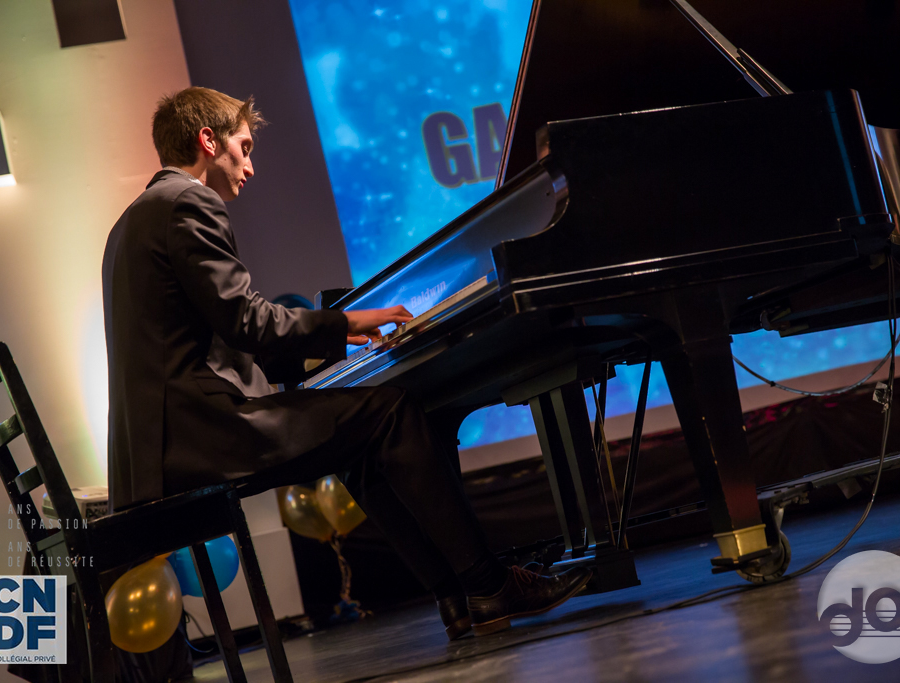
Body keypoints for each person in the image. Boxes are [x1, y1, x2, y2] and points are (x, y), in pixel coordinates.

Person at [102, 86, 591, 639]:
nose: (251, 166)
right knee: (389, 414)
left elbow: (205, 338)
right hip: (202, 437)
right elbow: (247, 322)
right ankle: (487, 583)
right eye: (244, 147)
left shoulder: (131, 222)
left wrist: (325, 349)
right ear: (208, 141)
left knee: (358, 438)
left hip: (161, 450)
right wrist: (349, 322)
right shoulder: (189, 204)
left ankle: (458, 597)